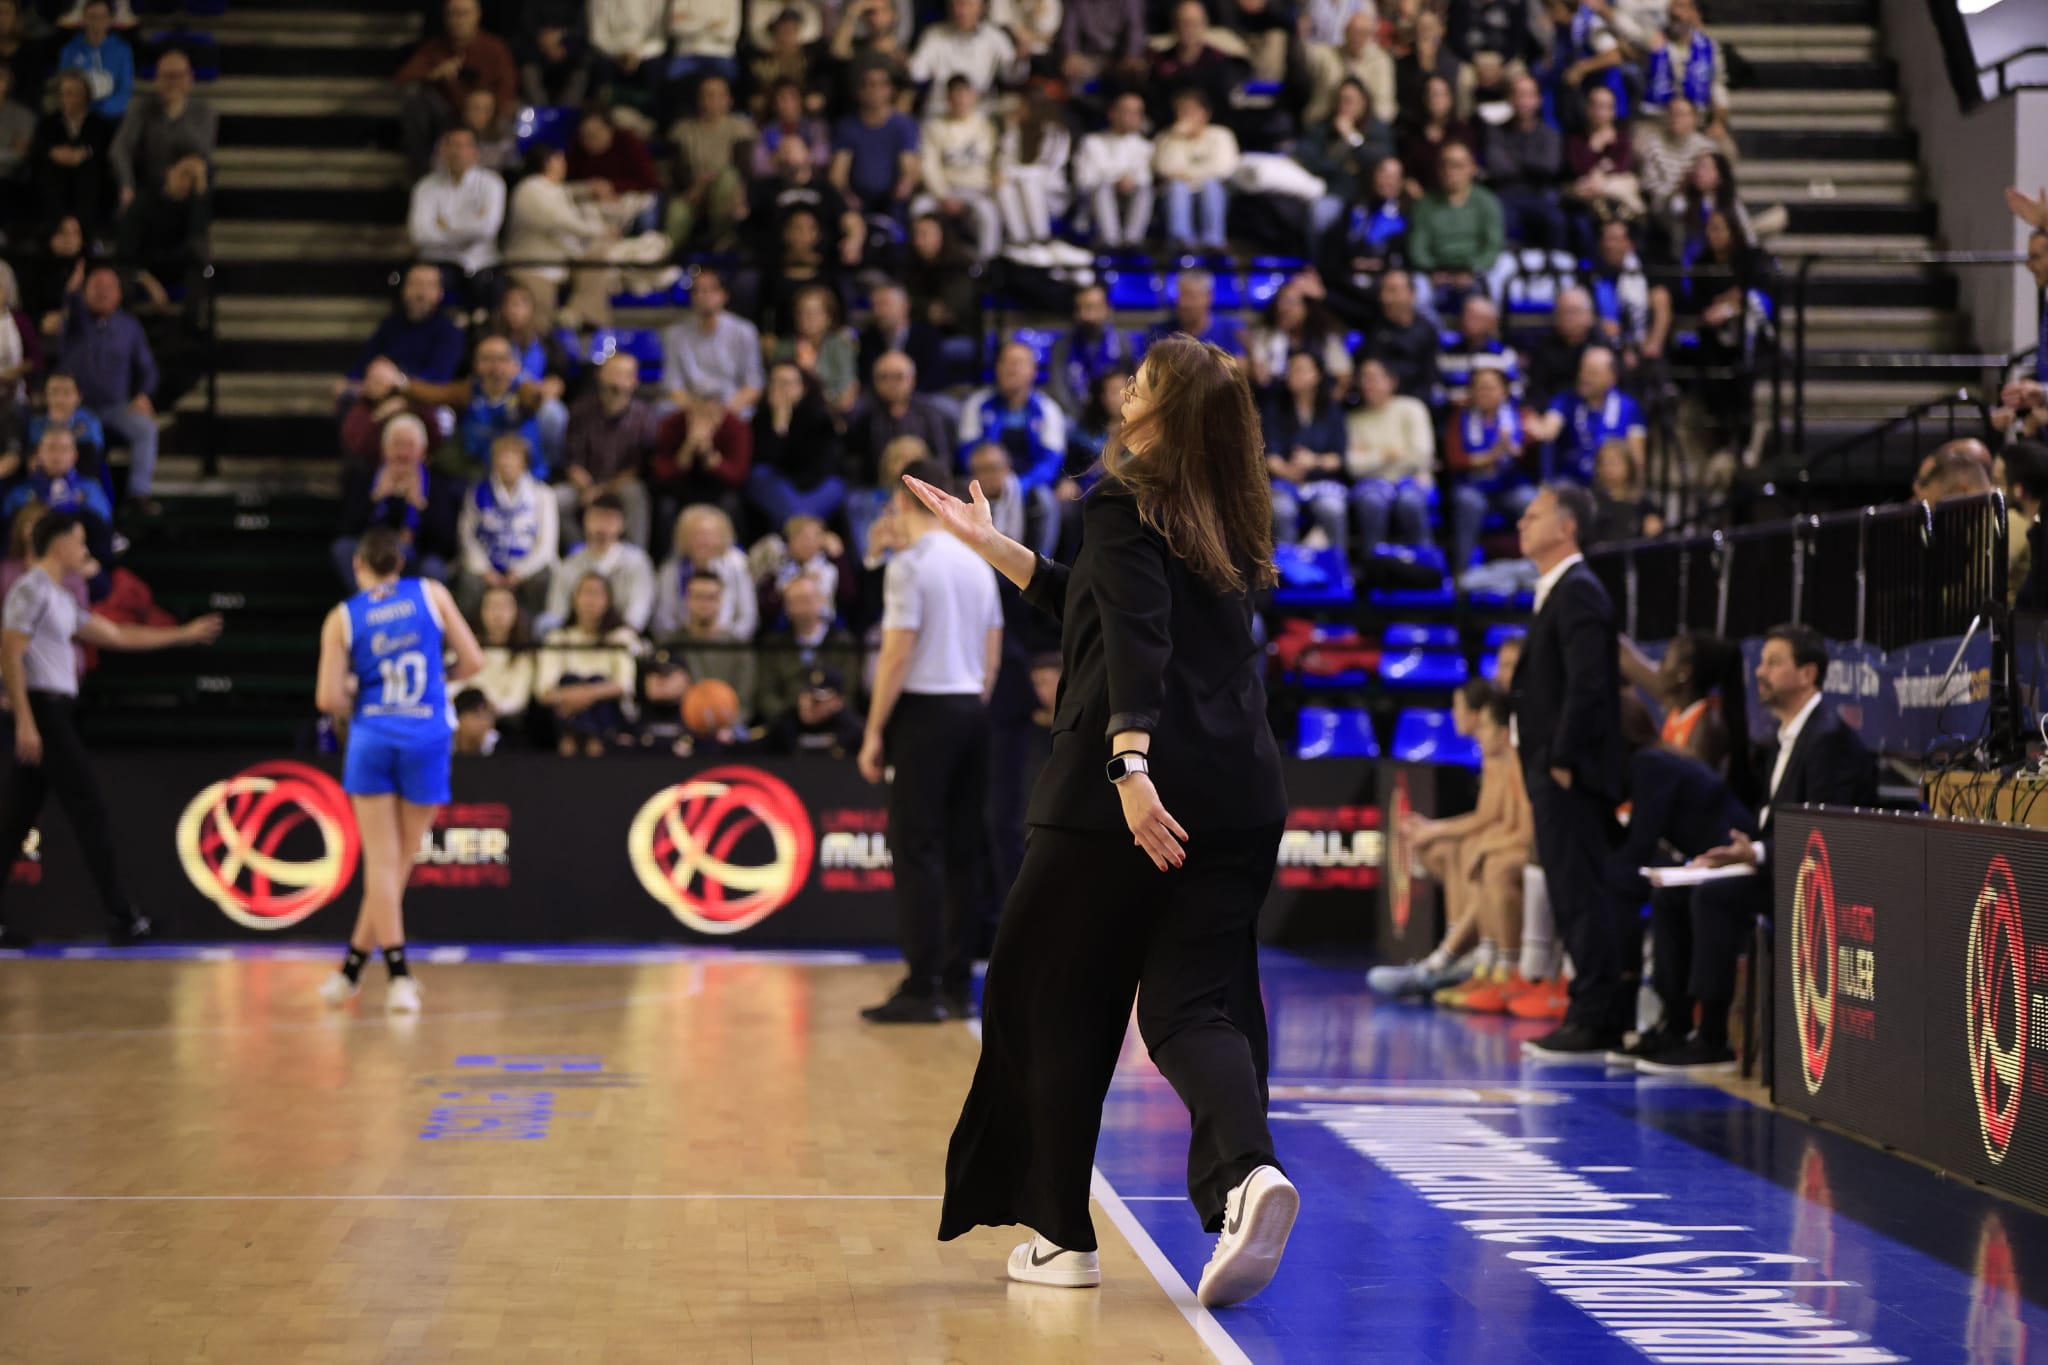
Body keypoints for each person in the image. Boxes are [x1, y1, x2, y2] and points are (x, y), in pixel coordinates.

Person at [909, 336, 1298, 1309]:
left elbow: (1133, 640)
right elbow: (1101, 602)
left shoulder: (1122, 500)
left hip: (1118, 803)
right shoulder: (1226, 511)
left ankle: (1059, 1235)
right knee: (1191, 1008)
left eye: (1142, 383)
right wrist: (996, 548)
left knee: (1046, 1005)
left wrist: (1128, 764)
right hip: (1241, 795)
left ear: (1158, 414)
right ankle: (1247, 1176)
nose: (1125, 391)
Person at [0, 510, 221, 948]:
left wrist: (183, 634)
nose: (85, 550)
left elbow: (117, 635)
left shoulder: (61, 598)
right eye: (79, 541)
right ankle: (123, 918)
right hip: (44, 711)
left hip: (54, 710)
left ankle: (122, 917)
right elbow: (9, 654)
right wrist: (24, 719)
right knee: (90, 811)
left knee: (15, 822)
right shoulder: (29, 590)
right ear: (59, 543)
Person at [1678, 625, 1876, 1073]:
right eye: (1761, 661)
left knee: (1715, 896)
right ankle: (1676, 1026)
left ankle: (1713, 1037)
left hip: (1817, 879)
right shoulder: (1784, 736)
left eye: (1773, 662)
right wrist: (1743, 849)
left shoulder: (1828, 739)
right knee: (1677, 888)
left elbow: (1828, 834)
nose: (1760, 672)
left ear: (1807, 674)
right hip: (1778, 864)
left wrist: (1758, 854)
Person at [857, 458, 1002, 1023]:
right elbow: (992, 649)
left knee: (916, 851)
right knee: (963, 853)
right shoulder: (978, 561)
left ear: (903, 502)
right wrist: (975, 700)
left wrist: (874, 732)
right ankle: (955, 983)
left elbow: (896, 653)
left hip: (924, 713)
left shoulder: (910, 565)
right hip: (971, 709)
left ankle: (920, 987)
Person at [314, 526, 483, 1007]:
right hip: (427, 735)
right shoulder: (431, 593)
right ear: (400, 565)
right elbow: (473, 661)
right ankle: (393, 974)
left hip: (373, 737)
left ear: (358, 566)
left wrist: (363, 694)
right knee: (397, 866)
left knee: (385, 867)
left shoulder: (343, 616)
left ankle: (361, 971)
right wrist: (436, 677)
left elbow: (327, 698)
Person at [1510, 483, 1638, 1057]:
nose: (1521, 523)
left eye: (1533, 516)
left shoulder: (1579, 591)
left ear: (1566, 528)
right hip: (1553, 770)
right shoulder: (1560, 591)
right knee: (1570, 891)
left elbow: (1589, 686)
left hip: (1571, 775)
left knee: (1581, 894)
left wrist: (1560, 760)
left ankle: (1596, 1017)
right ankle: (1589, 1009)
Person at [59, 265, 156, 507]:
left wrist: (144, 395)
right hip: (78, 410)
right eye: (96, 287)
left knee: (145, 428)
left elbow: (148, 369)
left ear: (119, 293)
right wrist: (71, 290)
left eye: (109, 287)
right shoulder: (75, 321)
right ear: (85, 292)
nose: (103, 293)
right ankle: (73, 497)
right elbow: (70, 303)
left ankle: (138, 494)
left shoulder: (129, 326)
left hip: (117, 408)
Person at [109, 47, 213, 272]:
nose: (172, 83)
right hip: (154, 187)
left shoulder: (203, 111)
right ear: (157, 79)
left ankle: (198, 252)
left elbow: (202, 150)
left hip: (189, 188)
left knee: (203, 172)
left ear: (190, 79)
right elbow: (119, 148)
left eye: (178, 76)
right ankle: (124, 278)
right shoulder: (144, 108)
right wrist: (126, 185)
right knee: (132, 209)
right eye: (167, 76)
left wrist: (177, 112)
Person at [331, 413, 465, 587]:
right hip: (373, 554)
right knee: (343, 548)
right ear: (384, 450)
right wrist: (375, 499)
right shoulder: (363, 480)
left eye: (410, 446)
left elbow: (446, 546)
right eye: (397, 444)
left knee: (434, 567)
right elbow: (347, 528)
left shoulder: (437, 486)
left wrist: (421, 507)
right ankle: (369, 607)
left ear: (422, 452)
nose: (402, 453)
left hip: (415, 558)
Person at [396, 0, 517, 172]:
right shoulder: (434, 48)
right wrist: (434, 74)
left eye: (464, 14)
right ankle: (421, 168)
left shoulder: (494, 48)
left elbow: (508, 87)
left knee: (513, 111)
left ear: (477, 16)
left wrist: (487, 108)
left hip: (488, 116)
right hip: (450, 117)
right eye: (453, 14)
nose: (459, 20)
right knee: (413, 93)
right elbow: (402, 79)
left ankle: (506, 170)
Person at [535, 569, 641, 755]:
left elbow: (625, 684)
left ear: (608, 600)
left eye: (597, 594)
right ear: (574, 598)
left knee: (596, 680)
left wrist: (587, 693)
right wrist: (574, 694)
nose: (590, 600)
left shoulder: (621, 637)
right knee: (570, 680)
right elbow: (543, 691)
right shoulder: (558, 638)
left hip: (608, 711)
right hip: (564, 710)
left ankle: (589, 743)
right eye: (585, 593)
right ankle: (581, 741)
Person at [455, 433, 557, 623]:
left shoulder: (542, 494)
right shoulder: (477, 492)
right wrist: (485, 570)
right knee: (470, 581)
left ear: (524, 463)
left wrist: (521, 572)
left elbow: (546, 545)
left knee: (543, 579)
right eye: (501, 456)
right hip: (487, 565)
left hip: (527, 566)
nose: (506, 462)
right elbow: (466, 536)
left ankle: (535, 636)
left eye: (512, 456)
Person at [560, 353, 657, 548]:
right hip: (584, 485)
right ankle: (582, 550)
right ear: (599, 376)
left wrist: (606, 490)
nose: (616, 382)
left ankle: (635, 555)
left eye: (623, 375)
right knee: (557, 499)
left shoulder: (644, 416)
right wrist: (588, 488)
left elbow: (638, 467)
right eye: (612, 373)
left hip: (620, 485)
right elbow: (572, 461)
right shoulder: (580, 410)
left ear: (634, 382)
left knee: (635, 493)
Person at [1447, 366, 1534, 573]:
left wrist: (1522, 446)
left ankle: (1534, 569)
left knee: (1530, 500)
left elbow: (1530, 453)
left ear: (1504, 391)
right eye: (1479, 388)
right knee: (1467, 502)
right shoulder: (1460, 418)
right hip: (1473, 486)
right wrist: (1491, 456)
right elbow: (1454, 458)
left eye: (1490, 388)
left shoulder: (1521, 416)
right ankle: (1463, 572)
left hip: (1509, 486)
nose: (1484, 393)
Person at [407, 127, 505, 308]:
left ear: (475, 152)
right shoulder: (426, 186)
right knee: (415, 283)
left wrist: (445, 225)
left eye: (464, 146)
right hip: (438, 263)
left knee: (492, 286)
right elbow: (419, 233)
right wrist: (470, 227)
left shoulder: (492, 184)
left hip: (481, 263)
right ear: (443, 151)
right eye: (452, 145)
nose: (458, 152)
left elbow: (486, 230)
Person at [1344, 358, 1436, 549]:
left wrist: (1372, 457)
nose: (1367, 384)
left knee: (1409, 502)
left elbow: (1421, 455)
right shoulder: (1354, 419)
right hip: (1372, 485)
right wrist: (1388, 454)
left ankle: (1425, 563)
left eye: (1373, 378)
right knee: (1371, 501)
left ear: (1391, 381)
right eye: (1363, 379)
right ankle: (1373, 565)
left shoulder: (1412, 408)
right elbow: (1353, 466)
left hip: (1412, 480)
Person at [959, 342, 1069, 495]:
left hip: (1030, 486)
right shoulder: (977, 404)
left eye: (1018, 364)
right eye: (1005, 362)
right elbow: (967, 452)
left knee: (1044, 499)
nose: (1011, 369)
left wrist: (1020, 485)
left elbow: (1051, 461)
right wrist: (990, 478)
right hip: (983, 480)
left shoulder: (1047, 409)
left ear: (1033, 371)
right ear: (997, 368)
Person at [1526, 345, 1645, 486]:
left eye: (1592, 373)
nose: (1584, 377)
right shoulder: (1566, 399)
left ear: (1612, 378)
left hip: (1611, 485)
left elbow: (1636, 456)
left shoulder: (1629, 407)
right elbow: (1549, 429)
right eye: (1582, 370)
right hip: (1571, 484)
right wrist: (1537, 426)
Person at [538, 494, 655, 635]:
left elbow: (637, 614)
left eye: (610, 519)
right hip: (576, 639)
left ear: (622, 524)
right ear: (585, 521)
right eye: (597, 517)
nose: (603, 526)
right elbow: (556, 612)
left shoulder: (637, 562)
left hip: (619, 637)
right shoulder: (569, 564)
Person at [915, 75, 1003, 262]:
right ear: (948, 98)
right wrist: (943, 196)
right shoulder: (934, 126)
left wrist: (996, 180)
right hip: (943, 191)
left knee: (988, 213)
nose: (961, 100)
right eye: (956, 95)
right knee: (918, 208)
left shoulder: (986, 125)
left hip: (977, 191)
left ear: (974, 97)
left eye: (966, 95)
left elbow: (996, 159)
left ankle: (986, 265)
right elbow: (928, 165)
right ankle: (922, 262)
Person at [755, 572, 861, 722]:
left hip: (835, 722)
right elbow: (766, 696)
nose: (801, 609)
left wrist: (826, 710)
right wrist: (794, 715)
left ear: (822, 600)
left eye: (806, 600)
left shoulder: (843, 642)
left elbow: (850, 692)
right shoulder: (774, 644)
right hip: (786, 726)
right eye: (794, 602)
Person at [661, 269, 764, 419]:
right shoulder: (675, 335)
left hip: (732, 406)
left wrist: (724, 412)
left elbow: (754, 385)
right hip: (691, 406)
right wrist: (697, 411)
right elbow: (673, 385)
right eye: (698, 291)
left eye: (711, 289)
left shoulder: (744, 331)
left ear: (724, 295)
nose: (704, 295)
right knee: (663, 409)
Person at [653, 503, 756, 640]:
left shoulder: (737, 565)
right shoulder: (670, 570)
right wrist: (679, 640)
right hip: (682, 644)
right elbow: (663, 618)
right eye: (696, 535)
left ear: (723, 537)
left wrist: (729, 640)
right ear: (683, 537)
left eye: (710, 535)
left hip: (729, 645)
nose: (703, 541)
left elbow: (747, 617)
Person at [1153, 88, 1237, 252]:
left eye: (1191, 110)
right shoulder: (1166, 137)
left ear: (1206, 114)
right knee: (1178, 187)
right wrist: (1176, 139)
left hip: (1214, 191)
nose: (1185, 116)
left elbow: (1223, 168)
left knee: (1211, 186)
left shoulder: (1221, 135)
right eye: (1181, 111)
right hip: (1176, 194)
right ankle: (1180, 241)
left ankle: (1213, 242)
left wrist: (1187, 174)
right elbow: (1165, 168)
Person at [31, 70, 111, 233]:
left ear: (85, 95)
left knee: (89, 169)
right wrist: (54, 152)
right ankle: (57, 226)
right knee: (49, 170)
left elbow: (103, 148)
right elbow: (40, 147)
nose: (69, 98)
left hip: (88, 177)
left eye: (74, 93)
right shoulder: (48, 122)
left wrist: (84, 153)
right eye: (65, 93)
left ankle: (81, 227)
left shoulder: (99, 123)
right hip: (55, 174)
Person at [1073, 90, 1154, 250]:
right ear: (1113, 113)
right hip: (1094, 203)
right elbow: (1083, 179)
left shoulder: (1145, 147)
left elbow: (1145, 177)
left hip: (1129, 201)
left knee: (1144, 190)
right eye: (1127, 111)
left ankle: (1132, 242)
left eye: (1137, 112)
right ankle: (1111, 243)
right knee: (1102, 189)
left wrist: (1128, 182)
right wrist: (1115, 181)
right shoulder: (1092, 142)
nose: (1133, 116)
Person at [1048, 284, 1138, 419]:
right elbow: (1060, 389)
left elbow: (1130, 384)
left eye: (1090, 308)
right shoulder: (1062, 345)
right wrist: (1080, 416)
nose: (1085, 315)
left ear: (1107, 309)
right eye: (1080, 309)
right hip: (1076, 417)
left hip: (1116, 414)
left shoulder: (1122, 342)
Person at [56, 0, 131, 120]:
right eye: (92, 17)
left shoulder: (123, 50)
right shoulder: (69, 50)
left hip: (111, 118)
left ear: (110, 20)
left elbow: (123, 91)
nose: (97, 23)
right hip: (78, 116)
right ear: (84, 19)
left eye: (102, 17)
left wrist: (100, 112)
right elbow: (66, 88)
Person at [1145, 270, 1244, 357]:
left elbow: (1240, 367)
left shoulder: (1230, 329)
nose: (1183, 303)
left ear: (1208, 297)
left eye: (1191, 296)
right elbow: (1145, 369)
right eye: (1181, 296)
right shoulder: (1159, 331)